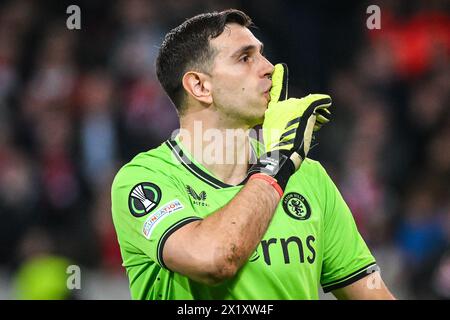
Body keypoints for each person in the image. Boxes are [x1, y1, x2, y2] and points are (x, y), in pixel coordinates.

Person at [111, 9, 395, 300]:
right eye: (245, 58)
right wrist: (277, 162)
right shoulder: (144, 180)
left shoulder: (308, 176)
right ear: (199, 85)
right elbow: (214, 260)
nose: (269, 67)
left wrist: (280, 161)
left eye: (262, 54)